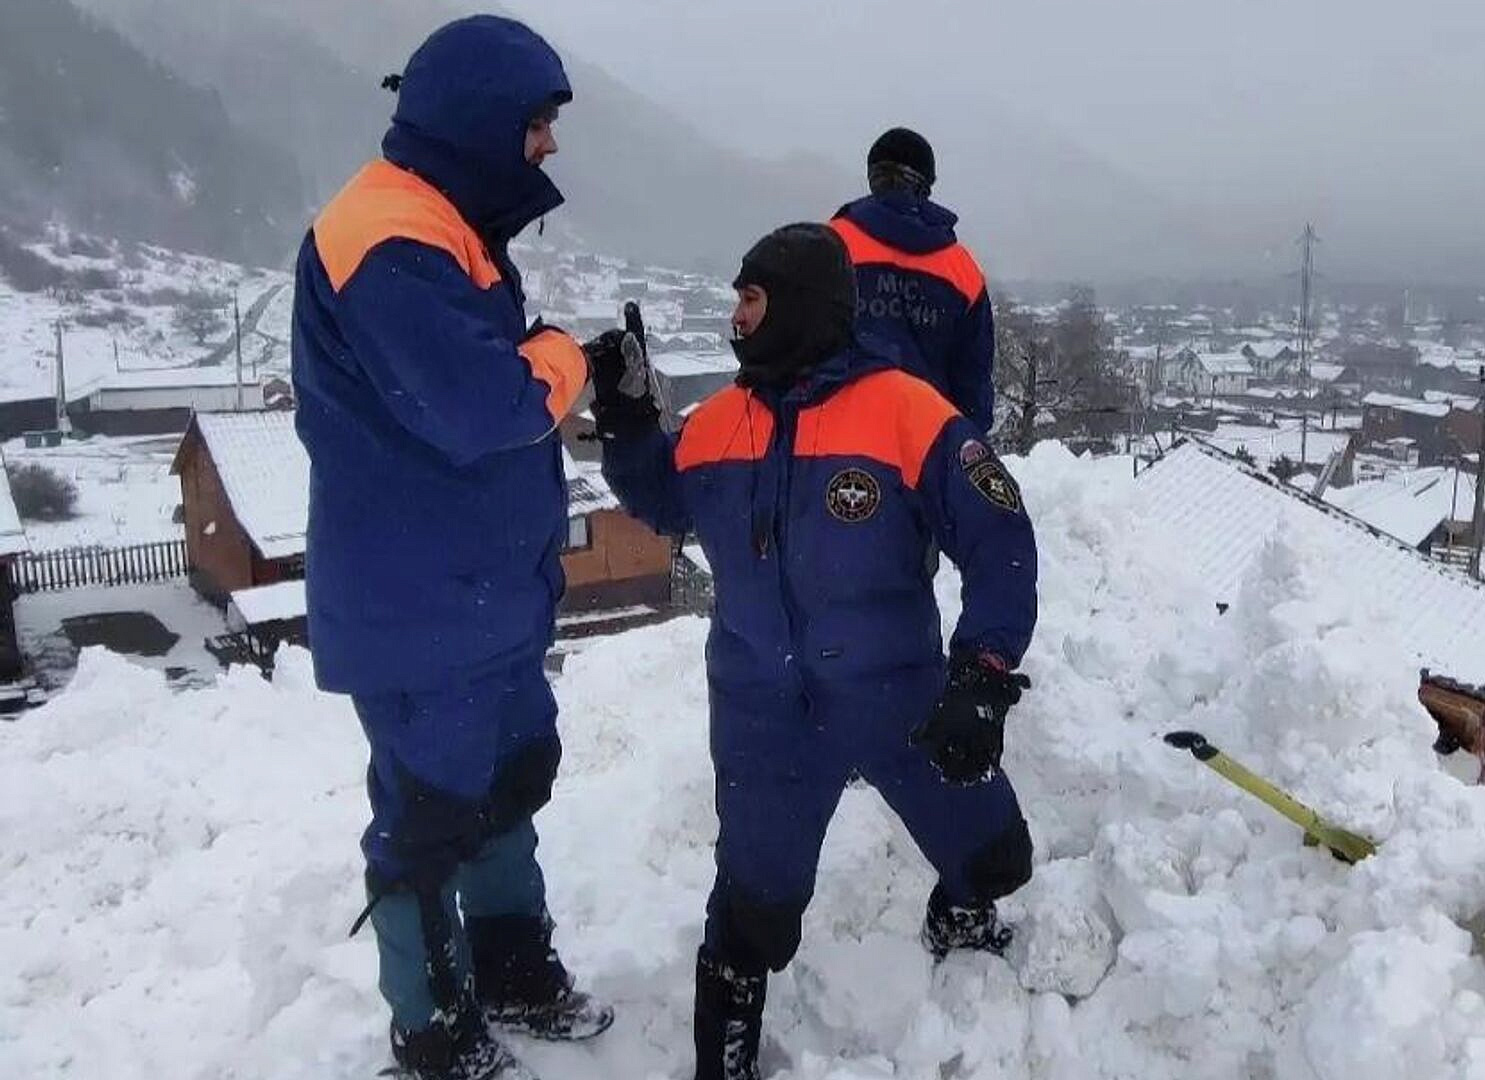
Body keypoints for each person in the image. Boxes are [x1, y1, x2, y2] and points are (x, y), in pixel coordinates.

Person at [591, 223, 1039, 1080]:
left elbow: (1000, 540)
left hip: (898, 698)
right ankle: (724, 1060)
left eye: (750, 298)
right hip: (766, 715)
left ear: (798, 305)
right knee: (751, 917)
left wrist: (982, 672)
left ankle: (961, 915)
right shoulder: (722, 423)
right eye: (736, 299)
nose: (735, 317)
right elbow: (661, 497)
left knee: (996, 860)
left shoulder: (908, 411)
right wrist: (626, 417)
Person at [291, 15, 615, 1079]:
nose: (550, 149)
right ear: (483, 121)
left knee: (510, 779)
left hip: (479, 596)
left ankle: (513, 970)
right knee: (429, 821)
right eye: (538, 125)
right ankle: (431, 1030)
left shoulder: (442, 225)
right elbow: (488, 406)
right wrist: (566, 357)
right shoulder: (388, 240)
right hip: (419, 607)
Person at [829, 127, 998, 432]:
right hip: (929, 444)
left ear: (872, 176)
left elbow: (797, 353)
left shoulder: (829, 244)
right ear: (926, 184)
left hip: (840, 442)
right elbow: (973, 385)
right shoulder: (962, 268)